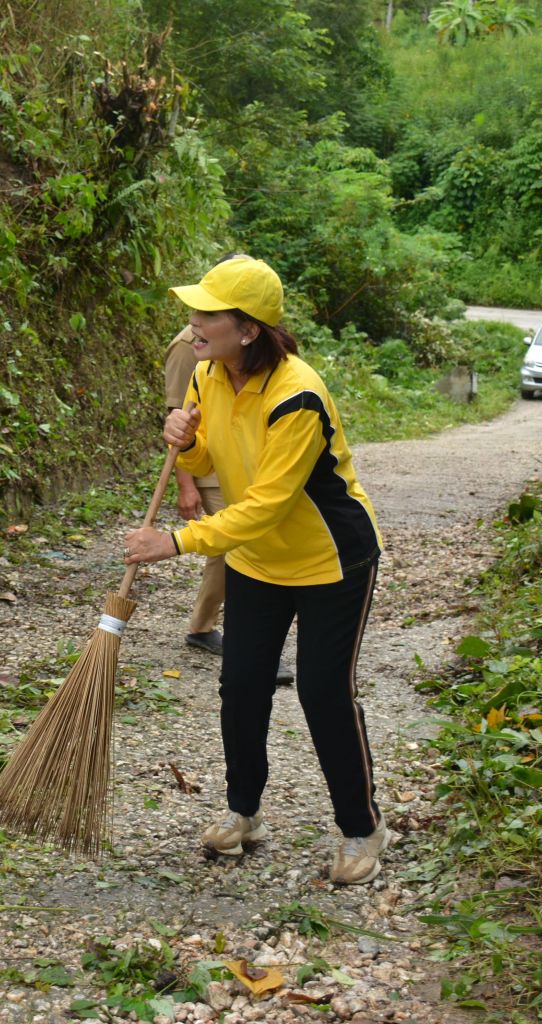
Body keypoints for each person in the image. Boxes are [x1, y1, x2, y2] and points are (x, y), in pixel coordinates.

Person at [125, 257, 388, 885]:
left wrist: (178, 541)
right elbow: (213, 453)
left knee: (324, 693)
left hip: (330, 560)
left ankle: (362, 828)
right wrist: (185, 438)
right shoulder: (209, 374)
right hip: (256, 562)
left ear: (248, 329)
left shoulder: (297, 394)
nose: (192, 325)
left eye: (206, 315)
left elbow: (268, 504)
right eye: (194, 312)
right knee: (241, 686)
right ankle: (244, 813)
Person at [166, 319, 294, 687]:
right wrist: (185, 485)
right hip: (209, 469)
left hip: (238, 466)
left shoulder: (269, 366)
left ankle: (213, 629)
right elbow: (179, 418)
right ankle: (241, 642)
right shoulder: (187, 347)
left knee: (235, 543)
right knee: (237, 543)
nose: (195, 318)